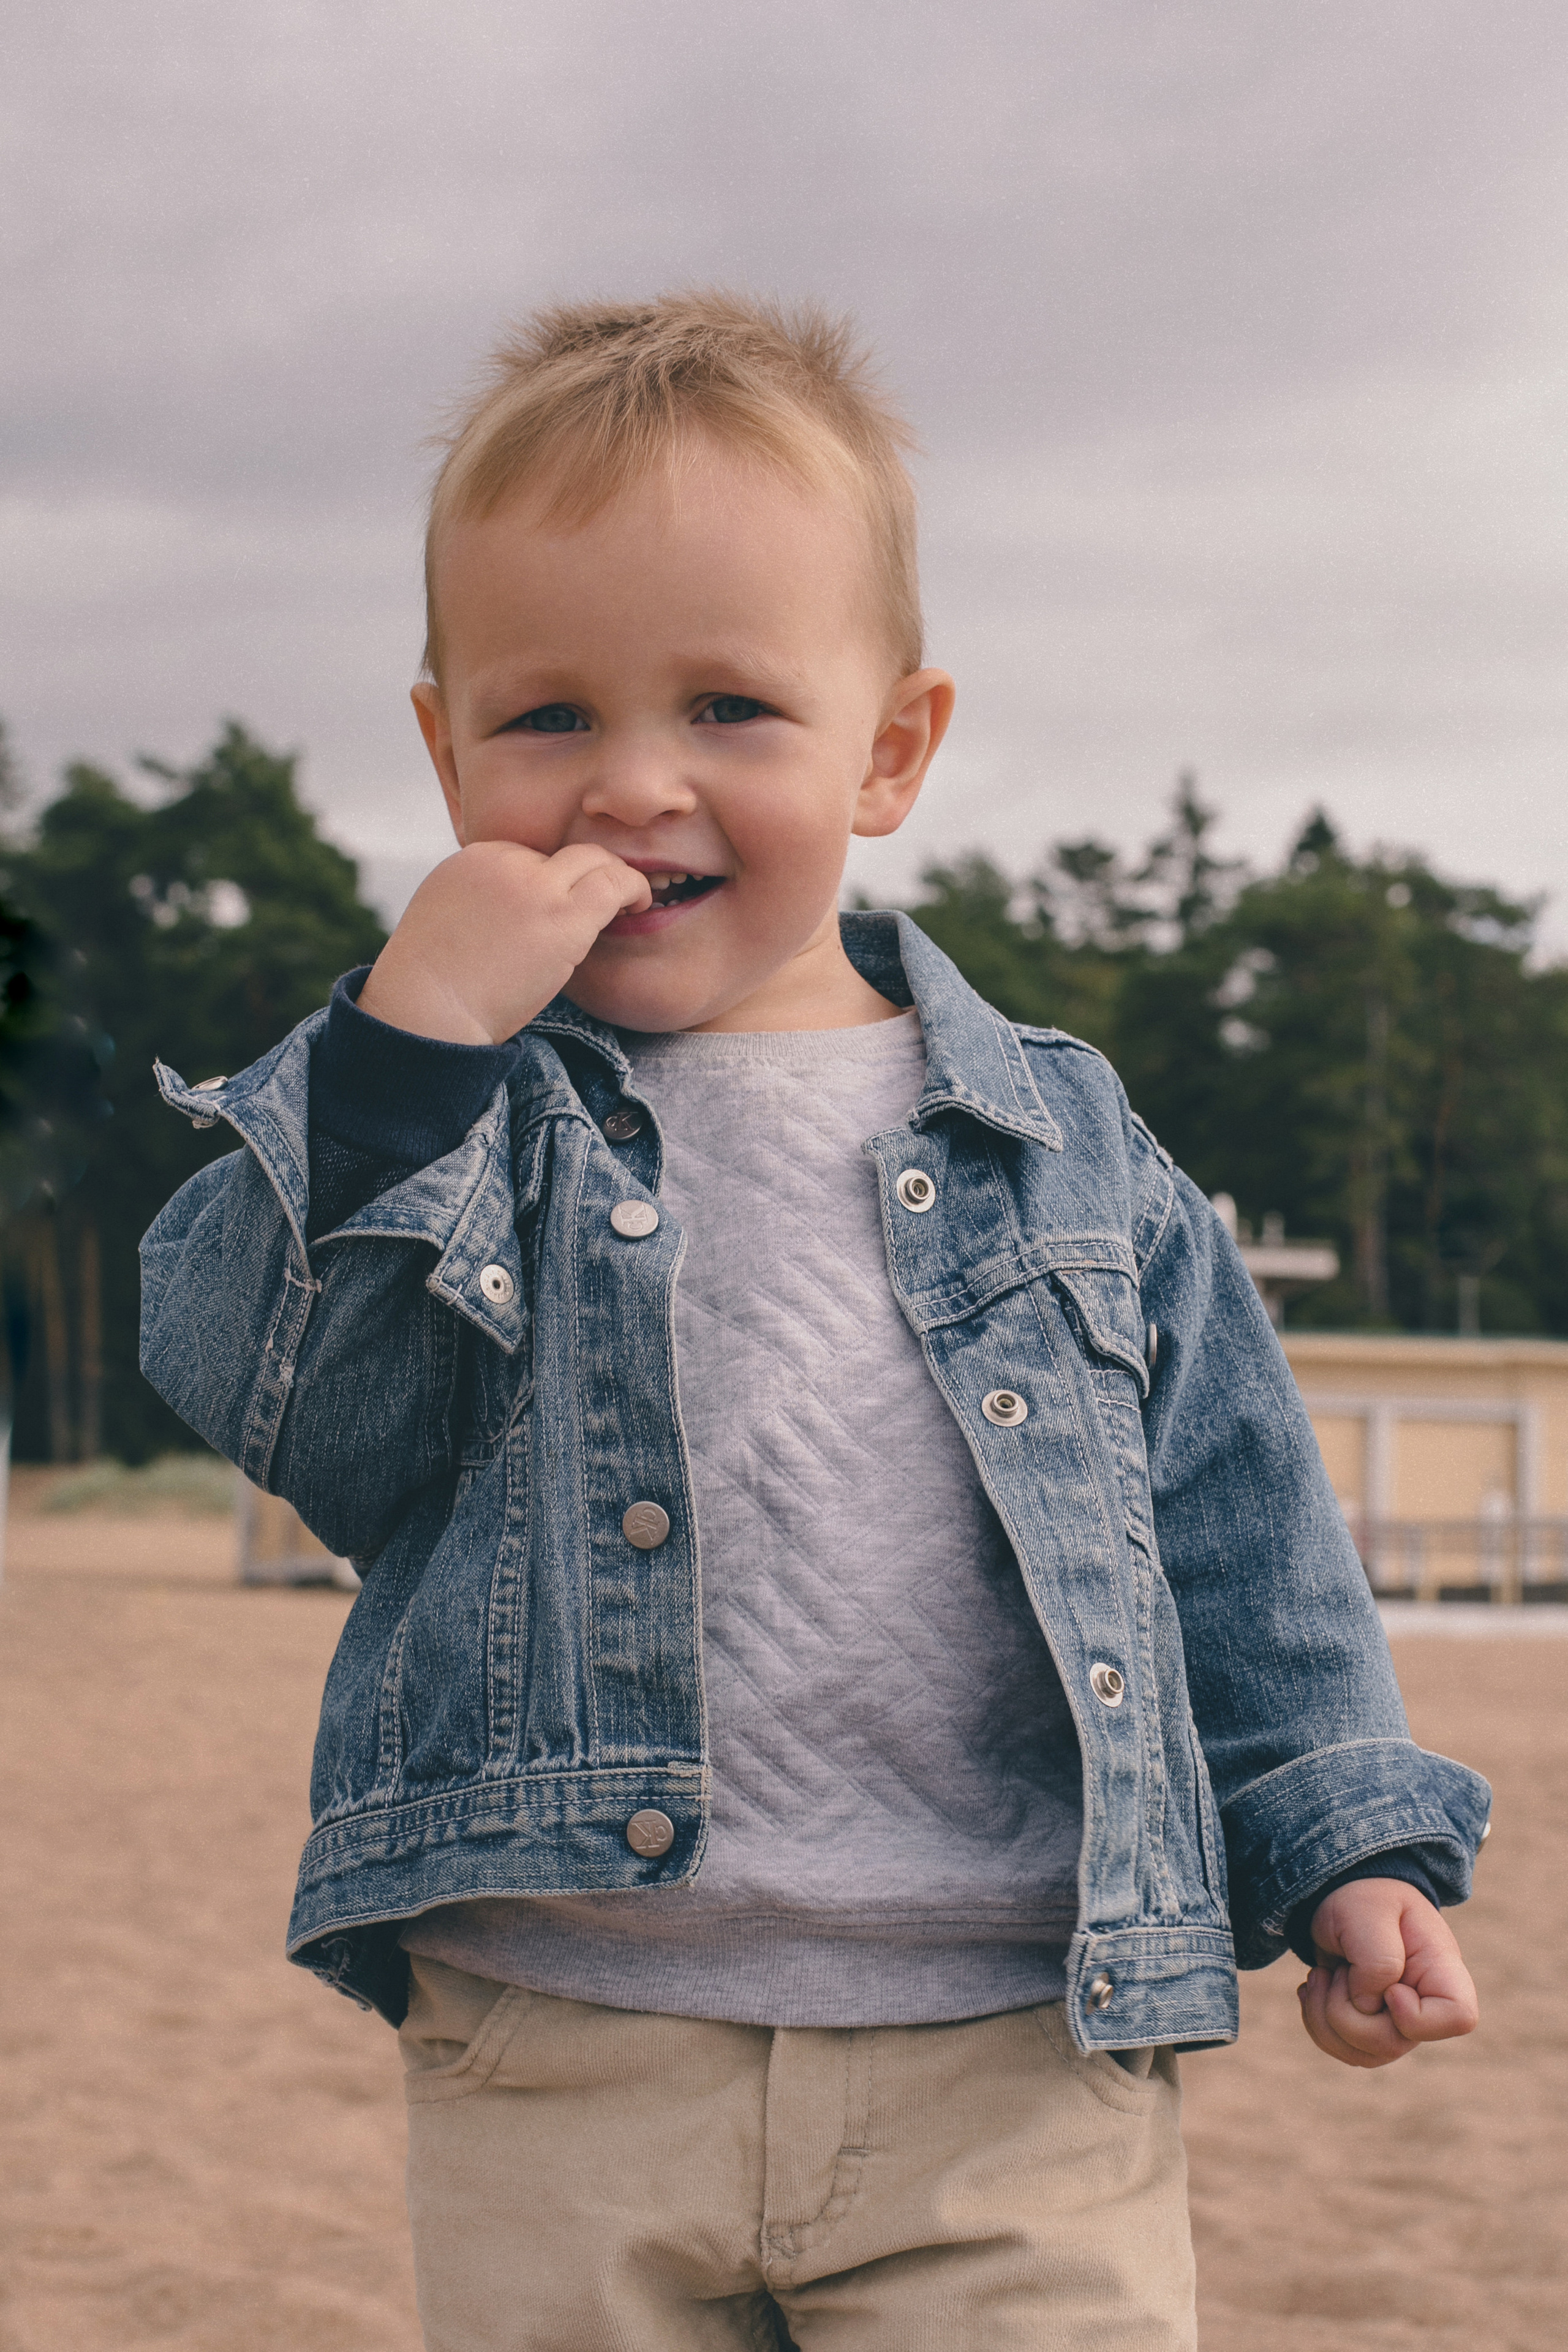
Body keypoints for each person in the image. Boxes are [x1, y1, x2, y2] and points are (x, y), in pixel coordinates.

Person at [140, 292, 1488, 2351]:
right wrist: (400, 1053)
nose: (631, 787)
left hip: (1011, 2051)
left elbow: (1228, 1513)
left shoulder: (1054, 1133)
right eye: (548, 719)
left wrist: (1338, 1835)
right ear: (442, 744)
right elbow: (271, 1396)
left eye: (730, 713)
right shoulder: (442, 1102)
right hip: (566, 2034)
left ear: (889, 750)